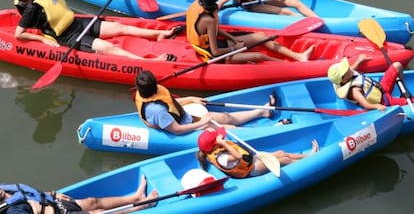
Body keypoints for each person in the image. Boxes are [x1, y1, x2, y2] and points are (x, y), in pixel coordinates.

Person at [14, 0, 179, 61]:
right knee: (108, 48)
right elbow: (19, 34)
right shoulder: (33, 9)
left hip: (77, 24)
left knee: (118, 27)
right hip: (67, 37)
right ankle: (147, 62)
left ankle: (158, 33)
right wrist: (42, 39)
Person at [186, 0, 314, 63]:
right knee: (258, 56)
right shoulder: (209, 20)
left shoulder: (197, 4)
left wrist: (233, 39)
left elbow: (214, 31)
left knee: (261, 36)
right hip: (211, 54)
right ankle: (290, 66)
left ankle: (298, 56)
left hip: (213, 43)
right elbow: (215, 52)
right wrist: (234, 48)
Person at [134, 70, 276, 134]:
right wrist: (202, 123)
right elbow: (176, 130)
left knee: (225, 117)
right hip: (184, 128)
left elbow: (170, 102)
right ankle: (269, 131)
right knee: (228, 129)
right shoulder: (156, 110)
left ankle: (262, 112)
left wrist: (190, 98)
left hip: (186, 117)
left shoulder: (149, 93)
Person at [196, 127, 319, 178]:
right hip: (252, 169)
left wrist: (222, 143)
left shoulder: (211, 150)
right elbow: (238, 156)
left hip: (252, 160)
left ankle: (307, 156)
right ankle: (310, 160)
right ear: (215, 144)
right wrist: (223, 143)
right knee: (284, 160)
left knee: (282, 153)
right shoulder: (221, 157)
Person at [0, 175, 157, 214]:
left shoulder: (4, 189)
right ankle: (140, 206)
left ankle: (135, 197)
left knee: (92, 201)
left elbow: (29, 193)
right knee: (98, 213)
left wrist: (53, 194)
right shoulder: (13, 211)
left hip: (54, 204)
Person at [327, 54, 414, 111]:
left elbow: (352, 69)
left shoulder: (347, 75)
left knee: (397, 65)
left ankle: (404, 91)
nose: (349, 69)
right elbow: (366, 105)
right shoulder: (354, 91)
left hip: (382, 88)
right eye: (346, 70)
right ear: (344, 79)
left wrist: (359, 60)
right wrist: (377, 106)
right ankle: (407, 101)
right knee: (412, 102)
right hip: (384, 101)